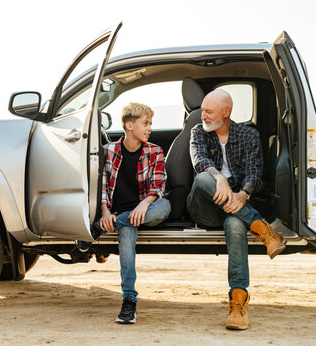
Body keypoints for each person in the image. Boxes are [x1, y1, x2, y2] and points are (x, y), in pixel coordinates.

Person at [187, 89, 286, 330]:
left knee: (234, 224)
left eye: (208, 111)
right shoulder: (198, 132)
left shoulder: (248, 135)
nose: (203, 116)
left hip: (237, 205)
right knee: (203, 179)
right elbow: (199, 160)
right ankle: (262, 228)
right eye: (202, 110)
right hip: (205, 208)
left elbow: (255, 173)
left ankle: (238, 302)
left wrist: (243, 194)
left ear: (226, 112)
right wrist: (219, 177)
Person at [99, 102, 171, 324]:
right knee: (126, 247)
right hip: (124, 214)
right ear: (129, 126)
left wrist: (143, 204)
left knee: (165, 206)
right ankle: (129, 301)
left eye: (150, 124)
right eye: (145, 124)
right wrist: (104, 212)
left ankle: (106, 227)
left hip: (146, 210)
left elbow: (159, 187)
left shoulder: (154, 150)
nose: (149, 128)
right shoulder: (109, 151)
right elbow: (102, 186)